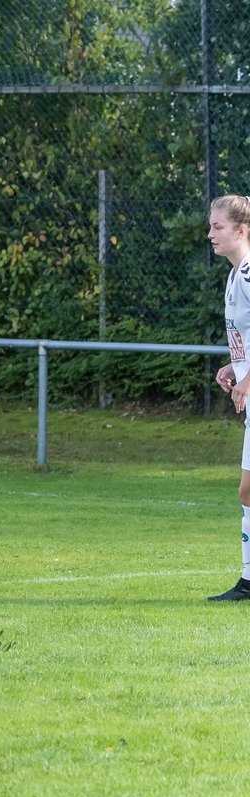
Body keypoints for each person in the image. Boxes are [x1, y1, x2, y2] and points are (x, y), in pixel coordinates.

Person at [209, 194, 250, 601]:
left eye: (218, 227)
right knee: (248, 491)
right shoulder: (235, 274)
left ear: (241, 230)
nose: (210, 234)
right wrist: (233, 367)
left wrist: (248, 379)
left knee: (247, 489)